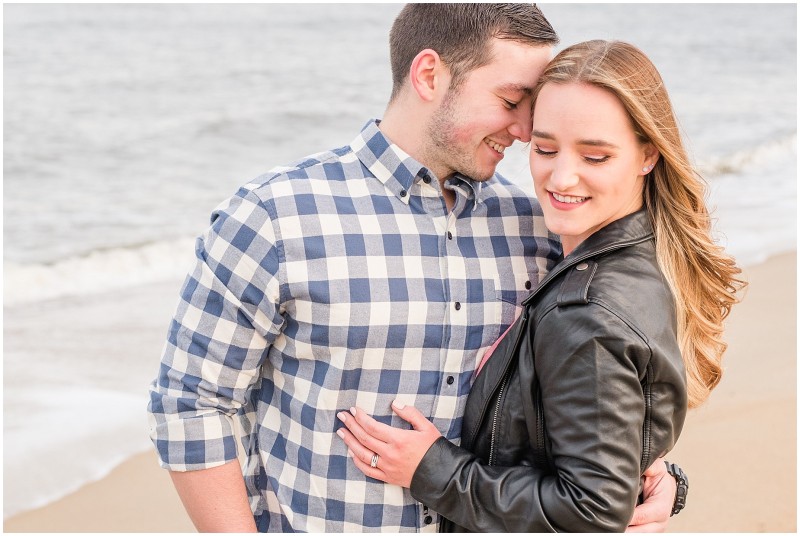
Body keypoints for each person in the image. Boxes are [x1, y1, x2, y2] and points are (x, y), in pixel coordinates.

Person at [147, 5, 682, 532]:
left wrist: (658, 478)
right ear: (429, 75)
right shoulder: (276, 217)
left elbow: (589, 401)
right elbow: (193, 404)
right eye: (512, 100)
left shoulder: (537, 229)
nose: (524, 129)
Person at [336, 39, 746, 532]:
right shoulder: (638, 256)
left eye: (595, 157)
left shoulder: (587, 312)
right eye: (546, 148)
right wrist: (659, 480)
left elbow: (591, 511)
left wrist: (433, 471)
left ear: (647, 157)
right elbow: (605, 454)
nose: (562, 175)